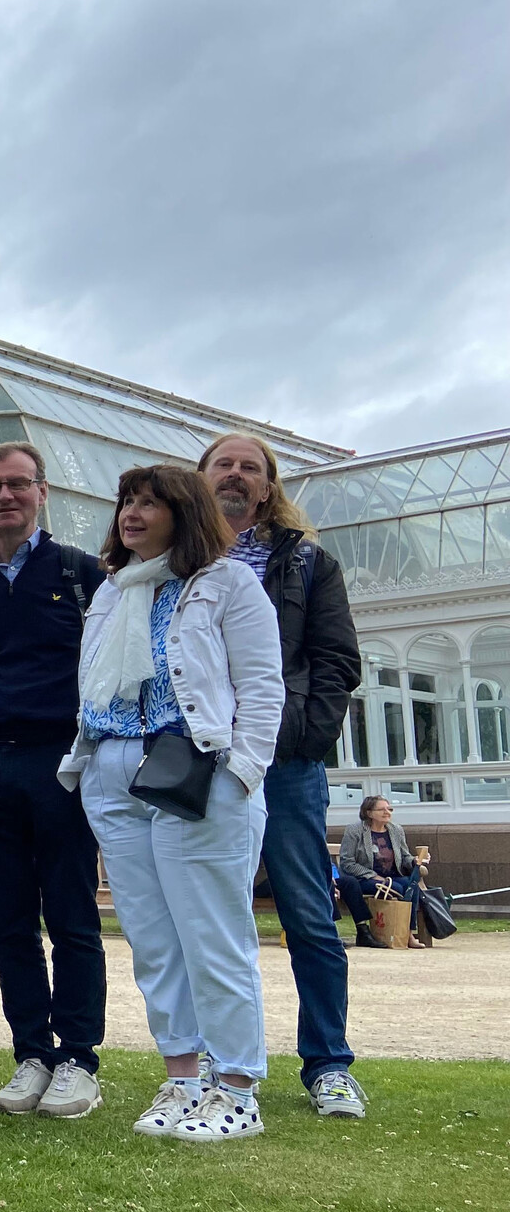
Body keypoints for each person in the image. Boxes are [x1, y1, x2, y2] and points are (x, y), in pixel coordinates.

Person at [60, 465, 282, 1142]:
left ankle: (237, 1086)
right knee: (155, 942)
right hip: (112, 768)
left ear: (182, 514)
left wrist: (241, 772)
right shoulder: (110, 591)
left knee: (212, 935)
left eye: (151, 503)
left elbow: (263, 687)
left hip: (193, 769)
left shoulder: (226, 584)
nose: (133, 512)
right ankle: (183, 1078)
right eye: (127, 500)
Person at [198, 433, 370, 1117]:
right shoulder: (176, 562)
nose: (236, 476)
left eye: (250, 468)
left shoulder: (305, 563)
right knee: (213, 916)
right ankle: (223, 1057)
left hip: (286, 764)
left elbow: (337, 661)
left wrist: (296, 736)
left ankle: (328, 1063)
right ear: (200, 480)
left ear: (268, 488)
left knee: (307, 915)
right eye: (223, 465)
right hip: (206, 762)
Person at [0, 441, 109, 1120]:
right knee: (7, 917)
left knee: (71, 911)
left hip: (58, 759)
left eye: (17, 485)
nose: (4, 496)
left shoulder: (82, 573)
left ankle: (80, 1059)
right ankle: (31, 1053)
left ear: (42, 493)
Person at [337, 795, 428, 947]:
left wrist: (415, 861)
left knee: (410, 884)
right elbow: (347, 862)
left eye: (389, 809)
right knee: (397, 888)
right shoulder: (355, 831)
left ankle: (408, 934)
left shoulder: (396, 830)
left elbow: (404, 856)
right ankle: (381, 932)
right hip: (364, 879)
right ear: (369, 813)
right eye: (382, 809)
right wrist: (374, 876)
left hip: (391, 877)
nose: (387, 812)